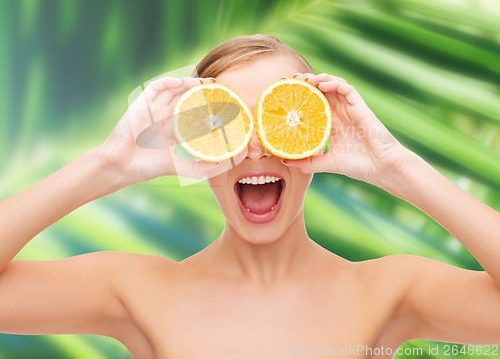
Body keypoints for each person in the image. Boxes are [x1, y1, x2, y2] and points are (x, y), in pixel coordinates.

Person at [0, 34, 499, 359]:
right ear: (194, 142)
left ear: (317, 131)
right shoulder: (137, 291)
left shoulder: (386, 290)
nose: (256, 147)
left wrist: (396, 165)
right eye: (227, 122)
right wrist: (107, 164)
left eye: (281, 118)